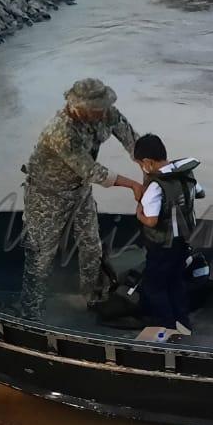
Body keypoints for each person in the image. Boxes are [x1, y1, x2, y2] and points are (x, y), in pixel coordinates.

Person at [21, 78, 140, 319]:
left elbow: (132, 140)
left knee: (91, 246)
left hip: (80, 191)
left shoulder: (105, 113)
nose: (103, 113)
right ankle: (30, 313)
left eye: (104, 107)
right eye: (97, 109)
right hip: (47, 197)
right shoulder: (60, 131)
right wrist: (133, 185)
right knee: (41, 256)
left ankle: (94, 297)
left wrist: (151, 166)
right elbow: (92, 171)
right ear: (78, 107)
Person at [133, 134, 202, 334]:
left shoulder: (156, 186)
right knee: (176, 282)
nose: (142, 169)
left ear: (148, 162)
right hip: (182, 242)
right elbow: (200, 193)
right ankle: (183, 324)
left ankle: (166, 327)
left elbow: (152, 220)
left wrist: (139, 214)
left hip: (161, 245)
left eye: (140, 165)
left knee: (154, 287)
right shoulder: (187, 176)